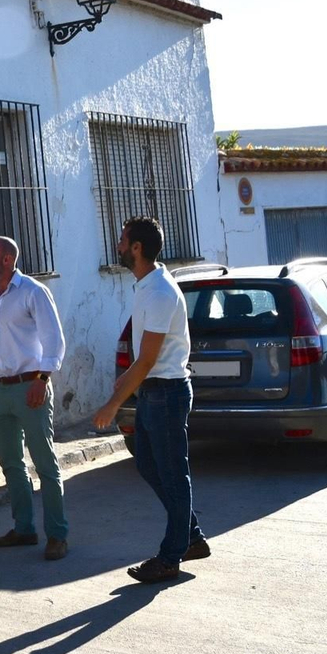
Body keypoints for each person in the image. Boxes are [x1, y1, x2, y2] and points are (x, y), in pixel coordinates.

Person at [93, 216, 211, 584]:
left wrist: (114, 402)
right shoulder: (147, 285)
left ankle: (170, 556)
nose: (118, 247)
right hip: (154, 394)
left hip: (166, 393)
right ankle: (189, 534)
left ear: (137, 248)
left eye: (123, 241)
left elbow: (146, 359)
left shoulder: (159, 292)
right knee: (147, 463)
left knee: (174, 475)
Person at [0, 236, 70, 560]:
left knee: (45, 464)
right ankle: (24, 528)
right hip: (1, 389)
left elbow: (55, 340)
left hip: (30, 387)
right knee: (11, 464)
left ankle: (57, 535)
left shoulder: (34, 292)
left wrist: (43, 378)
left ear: (7, 259)